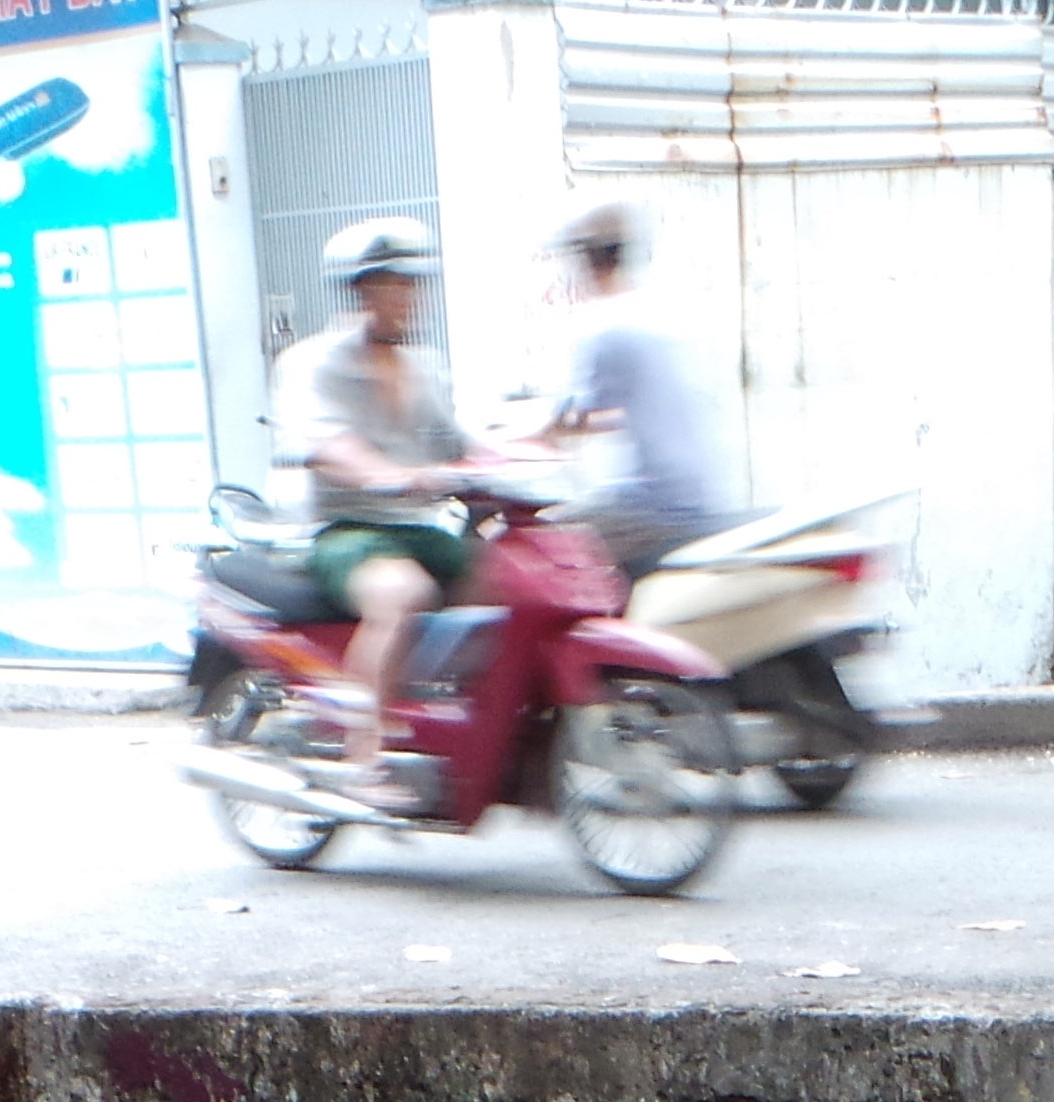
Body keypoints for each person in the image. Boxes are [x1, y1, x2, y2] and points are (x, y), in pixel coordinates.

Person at [271, 217, 496, 784]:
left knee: (506, 582)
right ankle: (363, 752)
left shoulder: (423, 365)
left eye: (408, 284)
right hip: (348, 531)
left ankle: (466, 730)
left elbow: (461, 445)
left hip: (419, 526)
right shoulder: (314, 363)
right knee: (404, 593)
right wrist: (382, 473)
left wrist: (526, 456)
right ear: (359, 291)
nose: (404, 298)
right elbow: (324, 441)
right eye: (389, 285)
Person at [540, 202, 730, 581]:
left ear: (588, 263)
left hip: (657, 506)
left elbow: (571, 419)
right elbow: (621, 409)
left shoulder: (607, 327)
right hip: (707, 496)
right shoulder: (665, 316)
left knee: (540, 544)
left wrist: (516, 438)